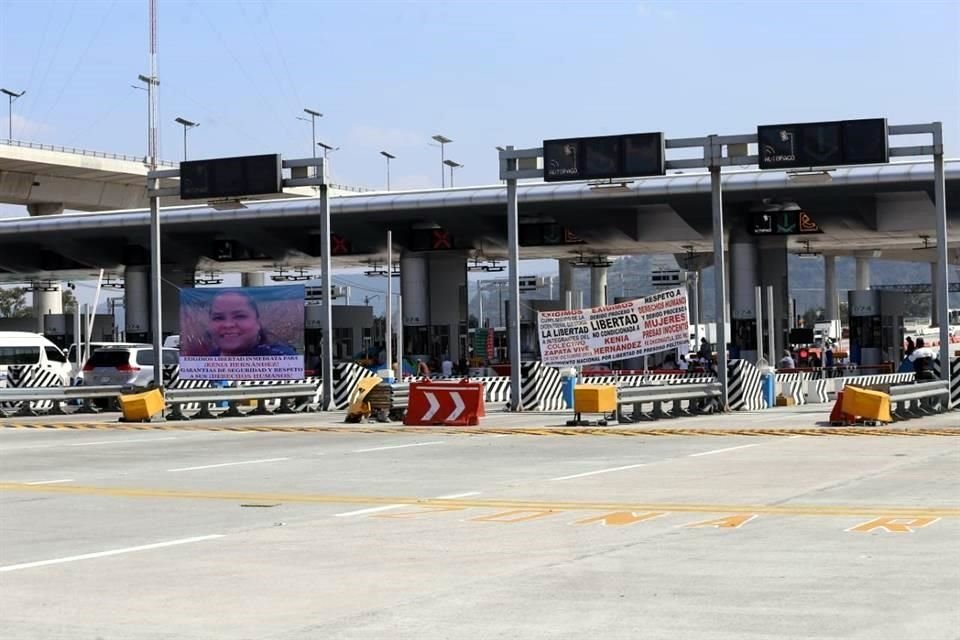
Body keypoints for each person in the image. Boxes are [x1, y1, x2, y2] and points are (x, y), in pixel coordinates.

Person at [207, 290, 297, 357]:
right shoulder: (205, 361)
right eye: (218, 318)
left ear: (258, 322)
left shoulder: (282, 357)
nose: (228, 325)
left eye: (239, 316)